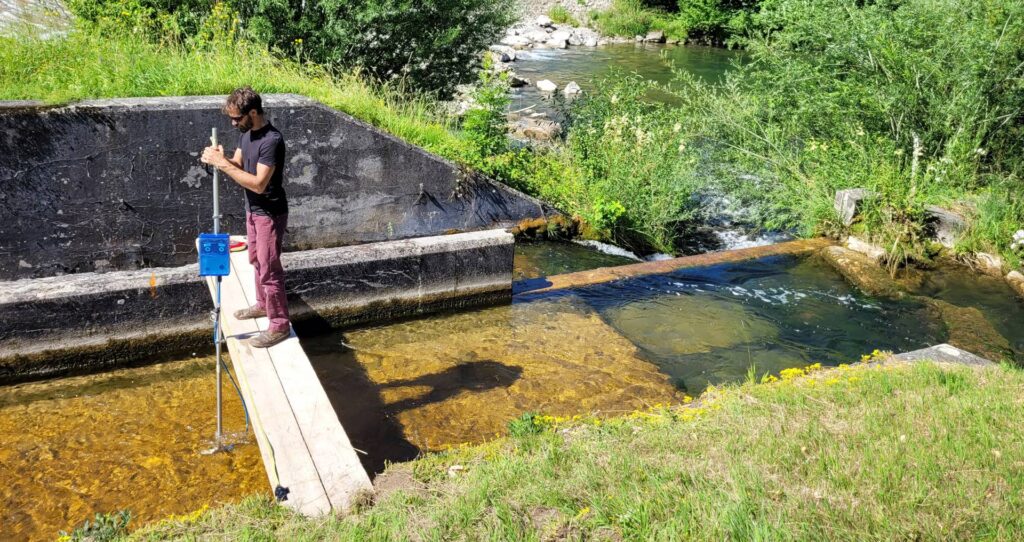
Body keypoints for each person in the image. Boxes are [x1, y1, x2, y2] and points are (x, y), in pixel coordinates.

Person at [201, 86, 291, 348]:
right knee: (255, 260)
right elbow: (237, 166)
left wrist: (223, 163)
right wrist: (218, 158)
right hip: (253, 211)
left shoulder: (271, 141)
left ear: (253, 112)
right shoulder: (247, 135)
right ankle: (263, 305)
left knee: (269, 269)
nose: (233, 123)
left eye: (237, 118)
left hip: (270, 214)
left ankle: (279, 325)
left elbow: (259, 184)